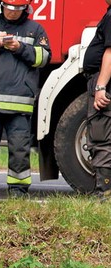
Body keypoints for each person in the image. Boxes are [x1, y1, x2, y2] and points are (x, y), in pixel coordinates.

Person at [0, 0, 50, 197]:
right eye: (10, 7)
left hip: (19, 104)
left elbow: (44, 58)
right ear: (0, 5)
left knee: (19, 152)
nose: (13, 12)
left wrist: (19, 47)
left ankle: (18, 193)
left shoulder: (35, 30)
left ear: (26, 8)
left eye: (18, 9)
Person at [82, 0, 111, 199]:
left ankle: (105, 193)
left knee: (101, 138)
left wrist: (100, 86)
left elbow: (110, 52)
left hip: (105, 82)